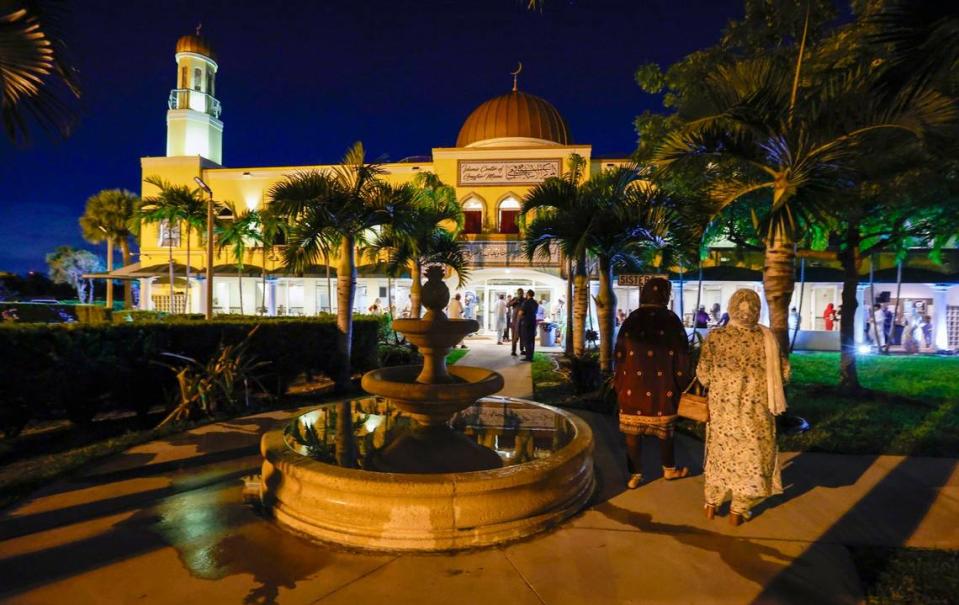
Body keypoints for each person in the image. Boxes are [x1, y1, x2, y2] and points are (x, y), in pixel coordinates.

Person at [697, 289, 789, 526]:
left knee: (720, 456)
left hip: (722, 414)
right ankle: (738, 511)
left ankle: (711, 503)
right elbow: (784, 375)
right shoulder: (767, 339)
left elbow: (703, 375)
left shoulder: (715, 338)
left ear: (731, 308)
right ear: (757, 310)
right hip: (755, 415)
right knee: (751, 460)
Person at [614, 278, 691, 489]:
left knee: (632, 432)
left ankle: (635, 475)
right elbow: (682, 356)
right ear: (665, 295)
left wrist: (619, 382)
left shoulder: (632, 319)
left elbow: (619, 354)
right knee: (665, 430)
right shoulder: (671, 320)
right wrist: (681, 383)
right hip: (662, 387)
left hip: (632, 386)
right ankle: (669, 469)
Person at [518, 289, 539, 361]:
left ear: (528, 294)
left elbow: (520, 313)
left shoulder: (526, 302)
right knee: (532, 340)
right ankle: (531, 355)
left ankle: (528, 357)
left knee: (526, 340)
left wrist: (521, 317)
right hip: (533, 322)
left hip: (526, 323)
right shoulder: (536, 303)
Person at [509, 288, 525, 357]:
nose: (520, 294)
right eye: (519, 292)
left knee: (522, 336)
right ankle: (513, 351)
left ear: (523, 293)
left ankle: (522, 350)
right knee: (514, 336)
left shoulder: (525, 300)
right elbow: (508, 305)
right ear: (517, 293)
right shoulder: (515, 299)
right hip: (515, 321)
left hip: (522, 321)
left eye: (521, 292)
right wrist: (515, 301)